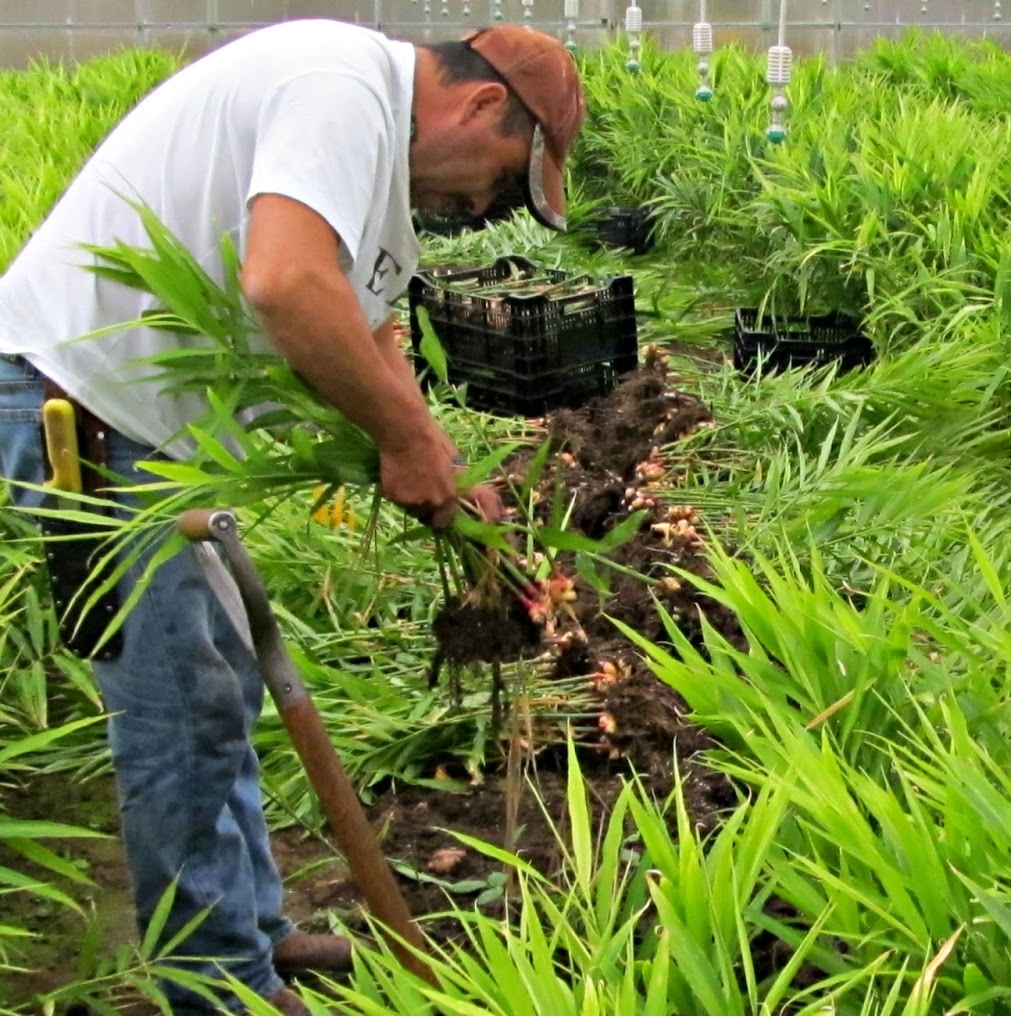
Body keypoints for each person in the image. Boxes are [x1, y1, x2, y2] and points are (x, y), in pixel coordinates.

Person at [0, 18, 584, 1014]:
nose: (483, 205)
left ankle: (250, 934)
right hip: (79, 415)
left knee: (222, 685)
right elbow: (284, 282)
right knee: (178, 710)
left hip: (152, 433)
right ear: (483, 103)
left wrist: (441, 460)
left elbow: (368, 323)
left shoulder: (368, 156)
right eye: (501, 176)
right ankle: (212, 983)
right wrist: (401, 445)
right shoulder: (339, 84)